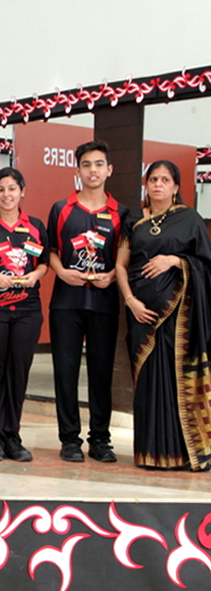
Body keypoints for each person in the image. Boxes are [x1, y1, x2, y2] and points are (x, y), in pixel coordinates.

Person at [115, 160, 211, 471]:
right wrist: (130, 301)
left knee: (173, 380)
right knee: (147, 381)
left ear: (175, 186)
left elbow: (205, 266)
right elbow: (121, 266)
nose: (158, 184)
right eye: (153, 179)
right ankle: (150, 453)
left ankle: (183, 454)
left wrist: (173, 260)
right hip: (141, 315)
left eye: (165, 179)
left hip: (180, 315)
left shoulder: (189, 220)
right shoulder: (133, 220)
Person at [47, 141, 128, 464]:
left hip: (104, 303)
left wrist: (111, 276)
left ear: (109, 170)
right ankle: (69, 440)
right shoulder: (62, 208)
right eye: (86, 165)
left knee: (100, 372)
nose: (92, 170)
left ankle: (100, 439)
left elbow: (124, 260)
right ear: (77, 171)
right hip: (66, 302)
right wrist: (62, 273)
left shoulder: (121, 213)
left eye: (98, 164)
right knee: (65, 371)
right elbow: (50, 251)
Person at [0, 167, 48, 463]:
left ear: (22, 191)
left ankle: (13, 436)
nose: (7, 194)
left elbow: (44, 263)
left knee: (18, 373)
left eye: (12, 188)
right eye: (1, 189)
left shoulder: (36, 226)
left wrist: (35, 275)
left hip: (27, 309)